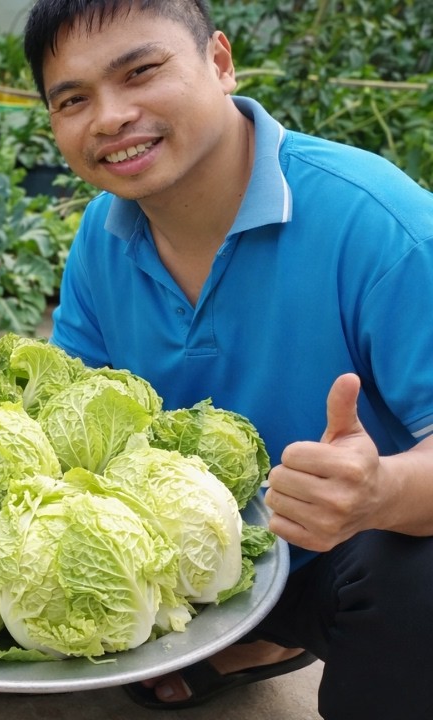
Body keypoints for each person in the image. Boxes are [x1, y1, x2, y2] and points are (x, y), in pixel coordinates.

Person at [21, 0, 433, 717]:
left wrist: (378, 492)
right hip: (184, 560)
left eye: (141, 72)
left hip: (338, 557)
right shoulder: (102, 233)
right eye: (74, 99)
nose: (111, 117)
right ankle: (248, 639)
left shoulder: (379, 224)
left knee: (420, 579)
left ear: (218, 60)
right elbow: (71, 414)